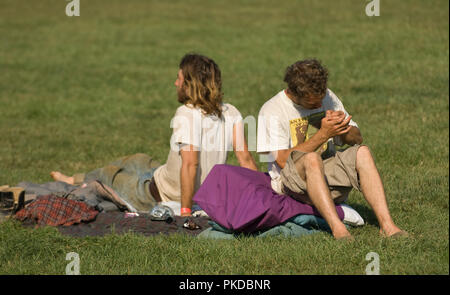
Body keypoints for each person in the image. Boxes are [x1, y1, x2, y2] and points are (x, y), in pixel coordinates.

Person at [51, 53, 258, 216]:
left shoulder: (186, 115)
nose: (175, 84)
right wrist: (263, 196)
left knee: (108, 173)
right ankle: (78, 177)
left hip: (154, 194)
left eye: (179, 79)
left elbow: (190, 165)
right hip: (165, 176)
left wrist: (185, 212)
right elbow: (246, 160)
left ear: (189, 85)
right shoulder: (231, 111)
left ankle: (72, 181)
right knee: (139, 159)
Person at [256, 59, 407, 240]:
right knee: (312, 158)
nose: (320, 105)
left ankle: (388, 226)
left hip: (328, 175)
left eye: (322, 99)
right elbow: (282, 160)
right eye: (313, 103)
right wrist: (323, 134)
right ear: (295, 93)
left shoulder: (327, 96)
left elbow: (357, 139)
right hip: (290, 183)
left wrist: (343, 129)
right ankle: (339, 230)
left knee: (363, 152)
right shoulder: (272, 110)